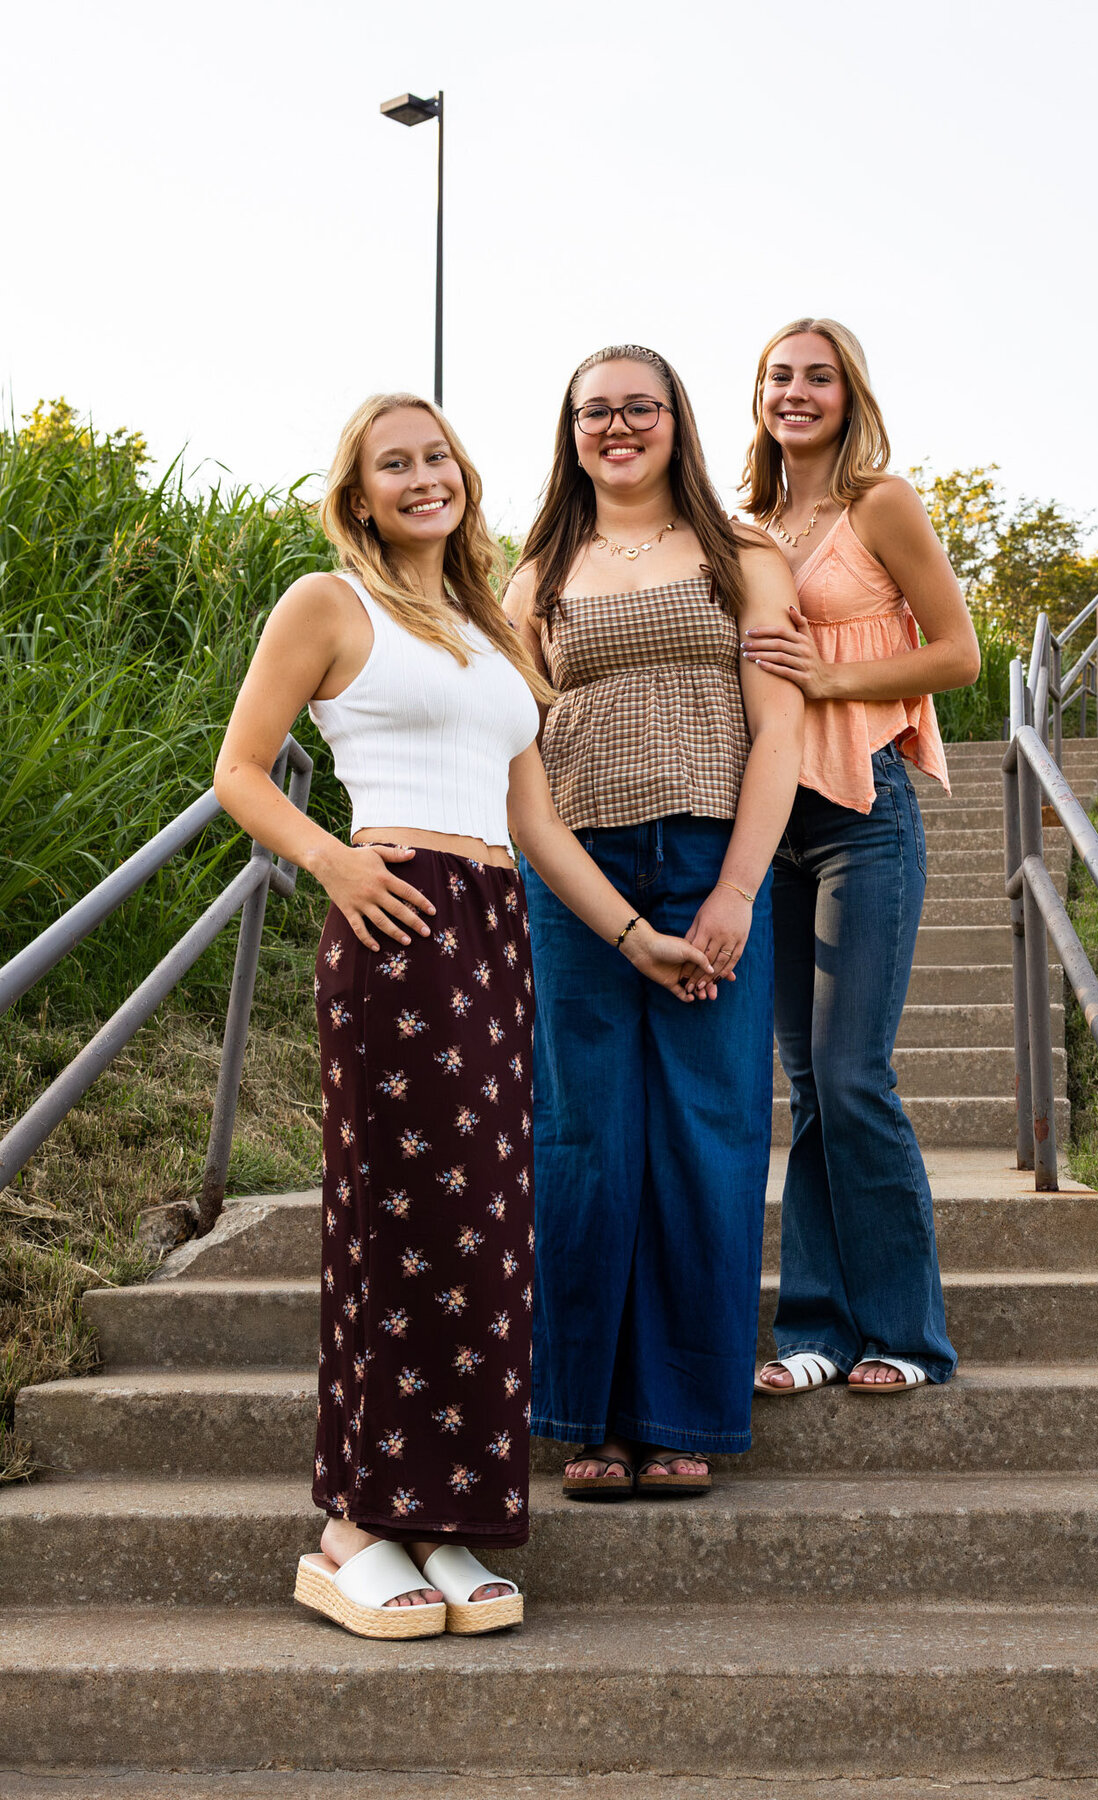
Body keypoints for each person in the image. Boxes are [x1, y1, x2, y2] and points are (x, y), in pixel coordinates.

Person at [214, 391, 709, 1639]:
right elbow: (238, 769)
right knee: (402, 1217)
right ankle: (352, 1526)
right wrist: (333, 863)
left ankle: (437, 1519)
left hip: (492, 930)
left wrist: (635, 935)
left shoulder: (494, 630)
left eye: (437, 456)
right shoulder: (328, 604)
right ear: (362, 490)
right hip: (394, 917)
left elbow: (535, 822)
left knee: (485, 1227)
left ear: (463, 476)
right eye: (396, 463)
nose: (423, 477)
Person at [505, 344, 803, 1497]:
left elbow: (776, 733)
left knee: (706, 1136)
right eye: (594, 411)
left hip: (708, 855)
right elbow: (519, 756)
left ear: (677, 420)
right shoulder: (532, 573)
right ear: (569, 429)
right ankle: (587, 1415)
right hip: (578, 873)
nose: (616, 427)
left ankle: (683, 1415)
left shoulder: (743, 557)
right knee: (585, 1137)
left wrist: (736, 889)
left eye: (640, 407)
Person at [737, 317, 980, 1395]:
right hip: (767, 821)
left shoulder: (879, 503)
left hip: (863, 806)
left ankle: (907, 1336)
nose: (795, 392)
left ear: (848, 394)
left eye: (816, 377)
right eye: (778, 376)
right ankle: (817, 1334)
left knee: (852, 1075)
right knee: (806, 1085)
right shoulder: (744, 525)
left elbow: (959, 654)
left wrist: (823, 679)